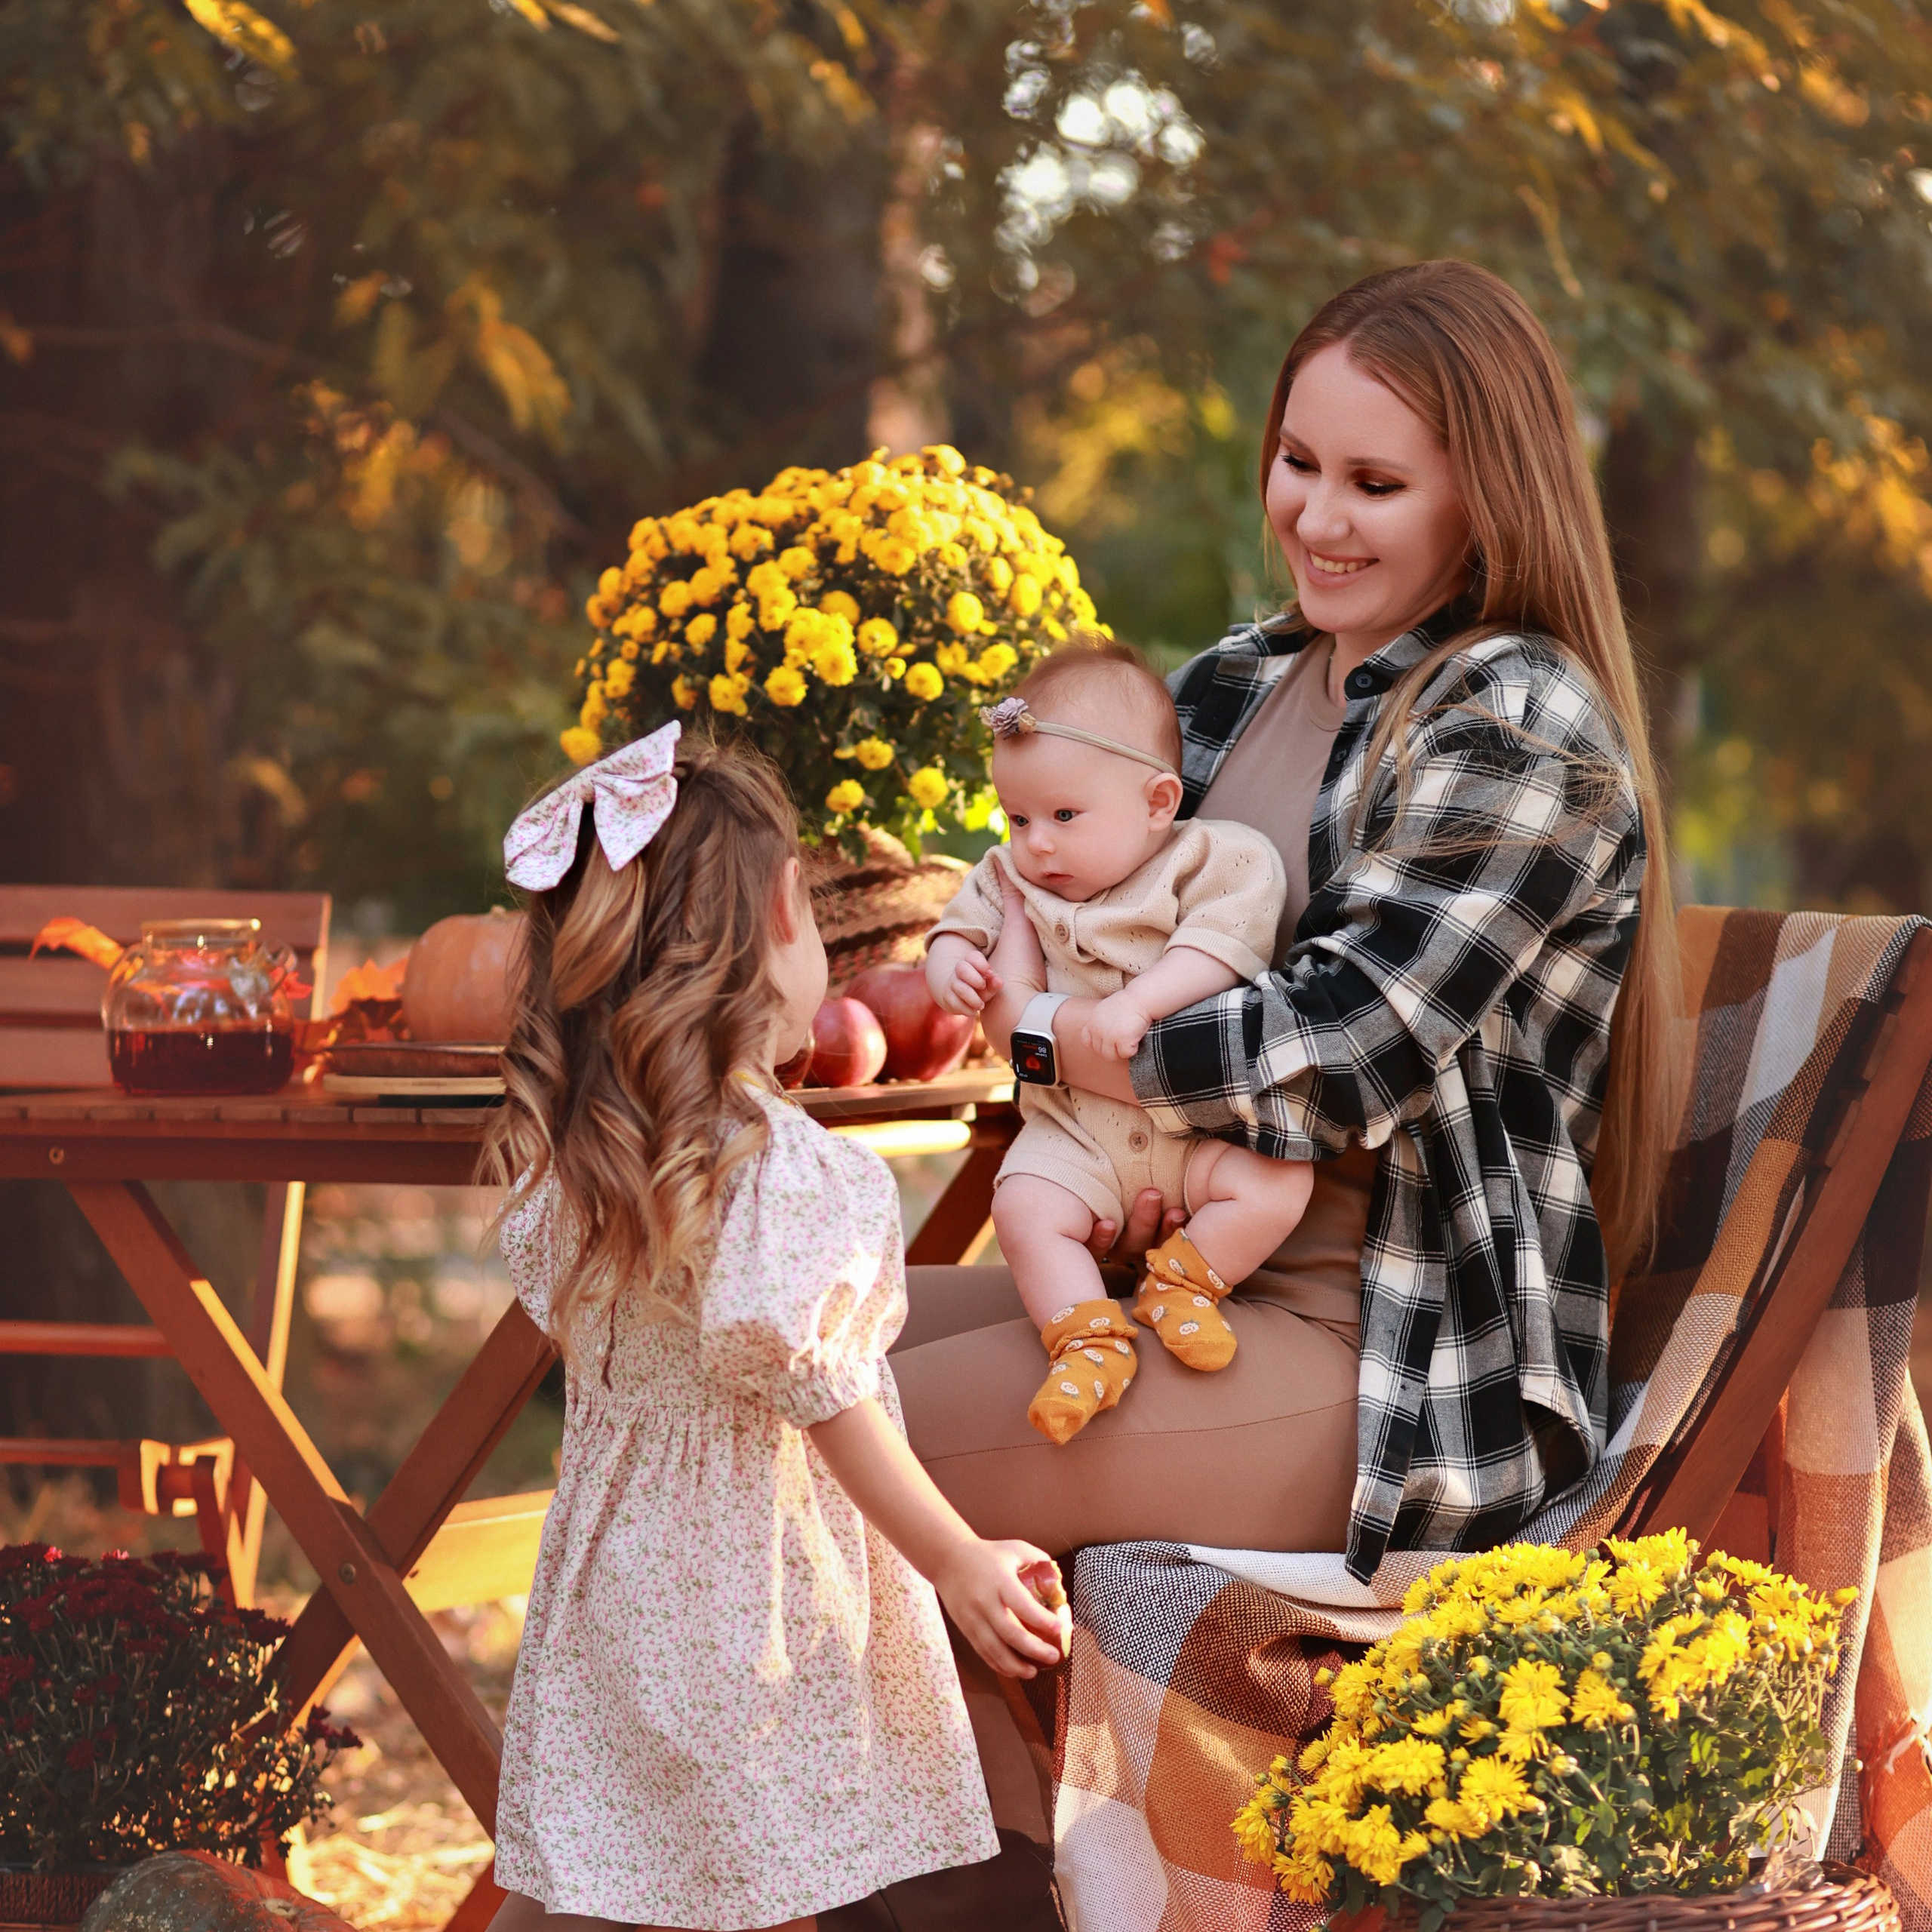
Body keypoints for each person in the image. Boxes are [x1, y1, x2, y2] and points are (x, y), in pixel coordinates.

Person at [890, 259, 1678, 1580]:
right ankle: (875, 1788)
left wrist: (1059, 1041)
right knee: (746, 1344)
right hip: (1166, 1272)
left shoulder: (1517, 719)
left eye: (1376, 484)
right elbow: (1051, 885)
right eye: (1299, 461)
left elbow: (1342, 1049)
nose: (1317, 516)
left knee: (815, 1435)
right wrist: (966, 961)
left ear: (1488, 499)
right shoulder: (1236, 682)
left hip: (1381, 1361)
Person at [478, 724, 1070, 1932]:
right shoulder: (787, 1172)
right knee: (746, 1875)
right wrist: (957, 1559)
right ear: (788, 919)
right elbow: (831, 1399)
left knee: (604, 1864)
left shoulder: (589, 1160)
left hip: (613, 1579)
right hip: (752, 1590)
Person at [924, 641, 1312, 1444]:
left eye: (1064, 816)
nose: (1036, 843)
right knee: (1024, 1206)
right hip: (1075, 1136)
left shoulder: (1211, 859)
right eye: (1018, 816)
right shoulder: (1011, 875)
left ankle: (1184, 1284)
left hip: (1193, 1138)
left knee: (1276, 1182)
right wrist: (950, 964)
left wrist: (1140, 1001)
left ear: (1158, 801)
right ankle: (1087, 1339)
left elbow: (1222, 944)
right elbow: (958, 928)